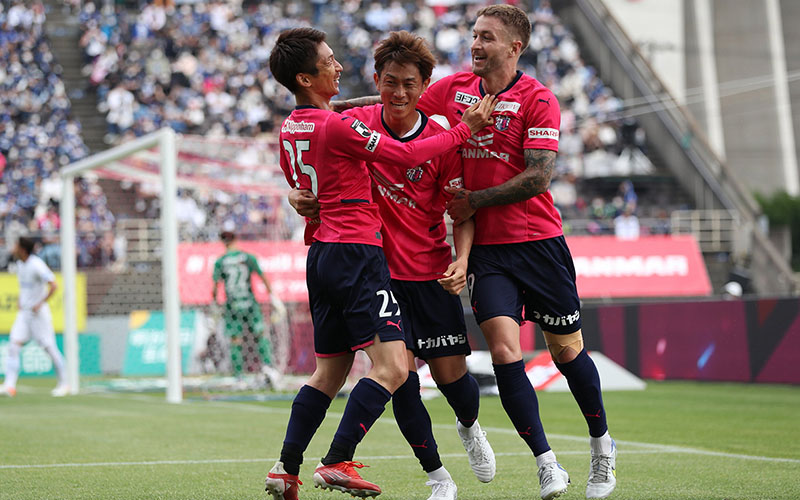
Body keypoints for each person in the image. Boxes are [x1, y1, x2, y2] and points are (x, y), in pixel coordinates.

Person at [339, 5, 617, 499]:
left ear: (515, 47)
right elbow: (402, 98)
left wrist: (473, 200)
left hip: (539, 243)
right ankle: (547, 463)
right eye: (473, 35)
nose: (475, 44)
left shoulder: (539, 99)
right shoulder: (453, 88)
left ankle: (601, 447)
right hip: (487, 252)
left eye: (486, 37)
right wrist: (331, 111)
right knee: (506, 352)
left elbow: (539, 177)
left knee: (566, 351)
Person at [264, 27, 495, 500]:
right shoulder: (341, 125)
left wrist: (300, 197)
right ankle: (337, 460)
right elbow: (407, 153)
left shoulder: (291, 126)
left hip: (321, 254)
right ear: (306, 77)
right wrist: (463, 130)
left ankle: (286, 468)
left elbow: (304, 184)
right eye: (329, 61)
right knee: (394, 369)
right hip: (359, 255)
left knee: (328, 373)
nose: (338, 67)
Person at [211, 230, 285, 385]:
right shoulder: (247, 257)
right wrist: (272, 297)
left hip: (232, 306)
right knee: (260, 334)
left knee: (235, 340)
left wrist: (215, 307)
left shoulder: (221, 261)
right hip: (249, 303)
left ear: (223, 242)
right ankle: (268, 368)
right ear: (236, 239)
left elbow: (215, 287)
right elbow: (262, 276)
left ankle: (239, 377)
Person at [1, 236, 69, 397]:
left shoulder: (36, 265)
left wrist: (41, 302)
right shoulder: (20, 264)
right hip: (24, 313)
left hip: (38, 314)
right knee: (13, 344)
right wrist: (20, 300)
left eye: (16, 246)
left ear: (23, 249)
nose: (14, 249)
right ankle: (9, 386)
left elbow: (54, 284)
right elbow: (24, 287)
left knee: (49, 348)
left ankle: (65, 383)